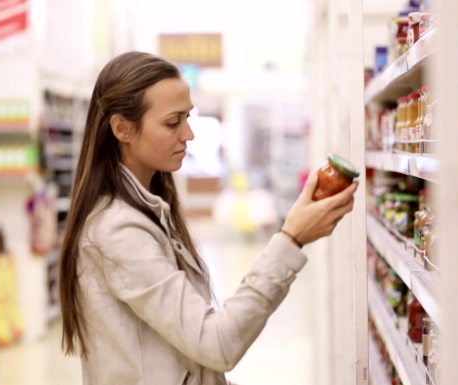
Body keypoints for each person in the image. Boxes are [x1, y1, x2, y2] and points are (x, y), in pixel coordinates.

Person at [59, 51, 358, 385]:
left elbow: (186, 358)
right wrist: (291, 239)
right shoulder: (118, 231)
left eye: (188, 117)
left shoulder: (150, 210)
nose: (188, 134)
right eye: (173, 122)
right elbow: (216, 344)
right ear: (122, 128)